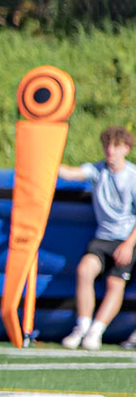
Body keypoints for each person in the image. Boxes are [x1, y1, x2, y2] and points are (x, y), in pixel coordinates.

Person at [58, 125, 136, 350]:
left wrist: (128, 245)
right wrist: (45, 158)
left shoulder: (132, 177)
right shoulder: (98, 170)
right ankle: (82, 326)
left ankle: (96, 331)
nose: (110, 150)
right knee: (84, 270)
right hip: (103, 238)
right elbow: (69, 173)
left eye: (116, 146)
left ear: (126, 149)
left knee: (115, 283)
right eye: (107, 145)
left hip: (126, 240)